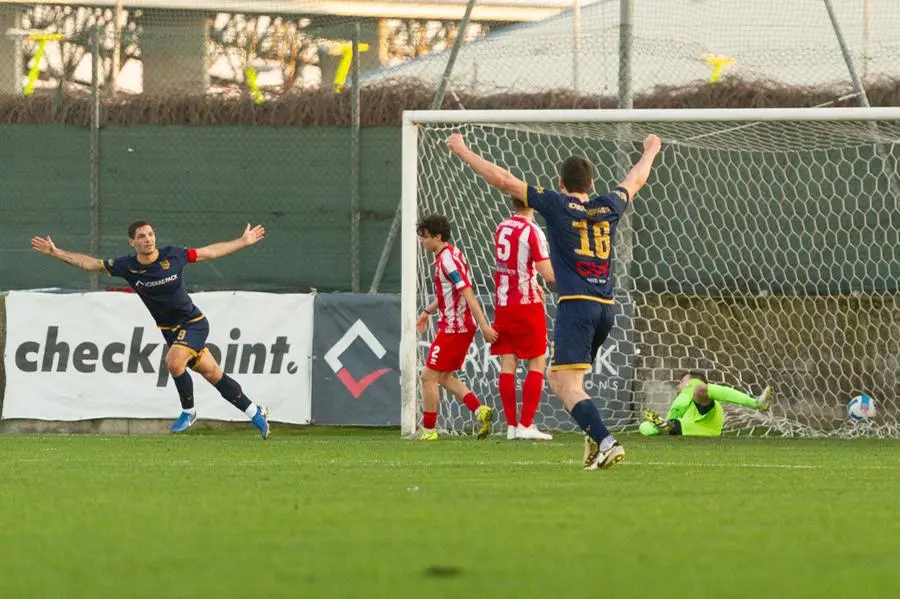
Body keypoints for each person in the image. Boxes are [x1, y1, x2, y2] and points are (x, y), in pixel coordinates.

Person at [447, 132, 662, 469]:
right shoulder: (609, 205)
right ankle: (594, 440)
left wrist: (462, 151)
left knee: (565, 382)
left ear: (560, 183)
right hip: (606, 307)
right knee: (560, 379)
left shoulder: (557, 204)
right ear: (591, 182)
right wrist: (651, 150)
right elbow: (636, 179)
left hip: (576, 305)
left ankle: (606, 442)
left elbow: (504, 181)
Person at [30, 220, 271, 438]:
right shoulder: (127, 266)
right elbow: (91, 264)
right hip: (170, 331)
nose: (148, 239)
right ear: (132, 242)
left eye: (151, 234)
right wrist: (56, 252)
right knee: (213, 375)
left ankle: (189, 411)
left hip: (193, 323)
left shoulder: (174, 255)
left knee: (174, 362)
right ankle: (254, 411)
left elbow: (209, 252)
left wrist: (243, 241)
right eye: (142, 236)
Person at [416, 214, 497, 440]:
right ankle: (480, 411)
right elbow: (449, 293)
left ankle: (429, 431)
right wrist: (427, 311)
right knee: (443, 378)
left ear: (438, 237)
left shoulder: (447, 261)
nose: (422, 241)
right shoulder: (452, 254)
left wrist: (484, 326)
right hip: (457, 326)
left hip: (455, 328)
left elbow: (467, 292)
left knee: (427, 377)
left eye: (425, 237)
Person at [491, 197, 555, 441]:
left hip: (504, 304)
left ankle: (510, 426)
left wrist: (532, 280)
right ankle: (526, 424)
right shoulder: (533, 231)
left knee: (509, 363)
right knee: (537, 361)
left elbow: (516, 265)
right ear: (534, 204)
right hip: (526, 305)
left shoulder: (502, 226)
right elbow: (548, 274)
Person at [640, 371, 772, 437]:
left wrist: (669, 418)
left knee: (698, 390)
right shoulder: (687, 405)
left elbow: (680, 404)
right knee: (645, 424)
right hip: (687, 429)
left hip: (699, 426)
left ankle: (755, 402)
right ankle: (666, 426)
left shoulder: (696, 394)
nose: (678, 386)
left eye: (682, 382)